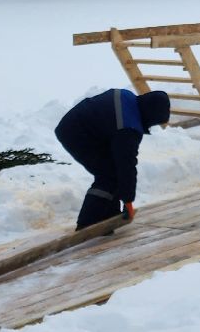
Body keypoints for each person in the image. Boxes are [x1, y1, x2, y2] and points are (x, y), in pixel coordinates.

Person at [54, 88, 172, 228]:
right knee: (108, 175)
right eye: (154, 122)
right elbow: (126, 166)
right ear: (150, 115)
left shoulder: (128, 97)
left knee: (112, 170)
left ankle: (108, 215)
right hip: (75, 133)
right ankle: (87, 223)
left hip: (82, 127)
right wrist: (128, 201)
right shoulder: (128, 127)